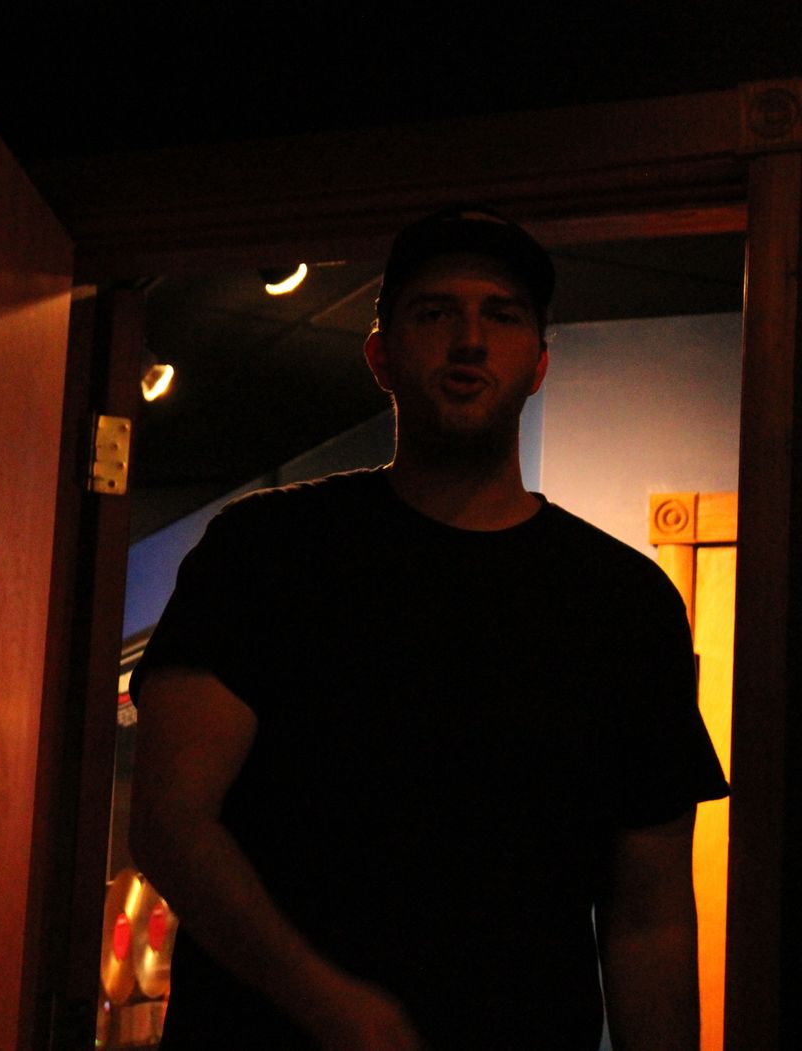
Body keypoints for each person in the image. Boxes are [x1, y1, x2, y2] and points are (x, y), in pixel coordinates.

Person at [128, 206, 730, 1050]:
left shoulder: (627, 603)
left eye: (502, 315)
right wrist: (335, 1008)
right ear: (381, 355)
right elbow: (171, 822)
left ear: (540, 363)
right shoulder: (267, 551)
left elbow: (651, 915)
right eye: (435, 312)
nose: (470, 339)